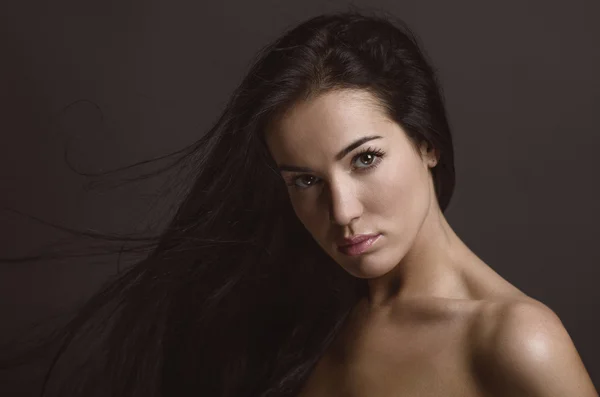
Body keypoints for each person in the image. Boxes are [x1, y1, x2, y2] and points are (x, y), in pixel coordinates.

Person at [2, 8, 597, 397]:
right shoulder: (307, 309)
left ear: (427, 143)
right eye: (304, 181)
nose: (341, 212)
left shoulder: (516, 339)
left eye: (364, 159)